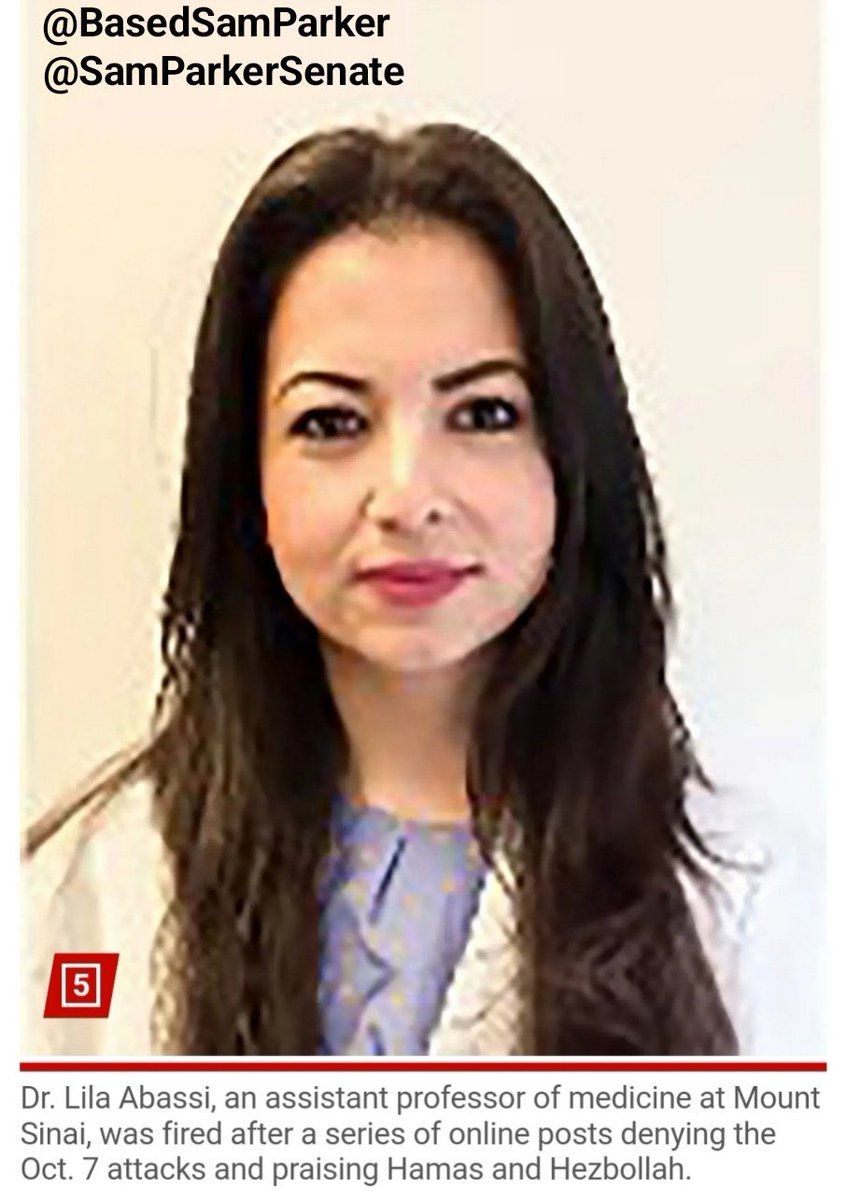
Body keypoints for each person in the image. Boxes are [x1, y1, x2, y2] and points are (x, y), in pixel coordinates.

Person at [23, 123, 754, 1057]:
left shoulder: (752, 898)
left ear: (573, 459)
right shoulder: (87, 898)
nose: (407, 496)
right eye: (331, 422)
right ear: (245, 475)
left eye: (483, 413)